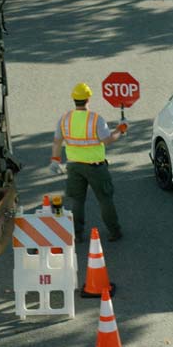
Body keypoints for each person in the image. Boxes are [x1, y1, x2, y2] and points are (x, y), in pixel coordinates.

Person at [49, 82, 127, 243]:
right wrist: (121, 129)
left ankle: (77, 234)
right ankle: (114, 231)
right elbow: (107, 140)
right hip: (96, 167)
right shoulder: (96, 119)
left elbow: (57, 142)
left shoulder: (65, 119)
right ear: (88, 98)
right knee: (105, 199)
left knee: (77, 201)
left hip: (74, 166)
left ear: (74, 99)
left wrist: (55, 160)